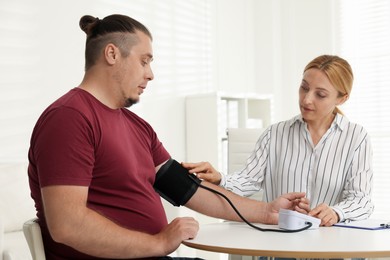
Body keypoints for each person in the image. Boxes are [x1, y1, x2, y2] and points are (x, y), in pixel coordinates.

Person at [27, 14, 307, 260]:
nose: (151, 74)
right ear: (112, 55)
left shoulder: (137, 126)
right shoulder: (70, 118)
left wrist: (267, 211)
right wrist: (158, 242)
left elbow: (188, 190)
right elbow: (67, 225)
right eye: (144, 61)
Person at [183, 54, 374, 227]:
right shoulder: (275, 133)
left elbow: (361, 200)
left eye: (320, 94)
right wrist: (220, 178)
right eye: (304, 88)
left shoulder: (356, 138)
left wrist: (336, 212)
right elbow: (248, 180)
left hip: (330, 245)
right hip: (281, 242)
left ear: (342, 99)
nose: (306, 99)